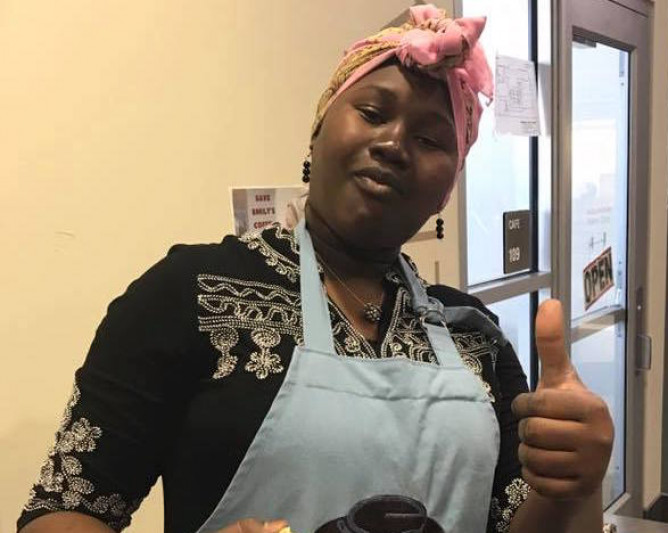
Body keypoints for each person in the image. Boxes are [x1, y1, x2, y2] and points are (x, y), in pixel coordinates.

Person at [18, 5, 613, 533]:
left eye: (432, 140)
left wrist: (575, 483)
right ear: (319, 128)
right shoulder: (192, 295)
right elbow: (61, 511)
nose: (394, 144)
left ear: (447, 189)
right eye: (373, 112)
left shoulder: (474, 335)